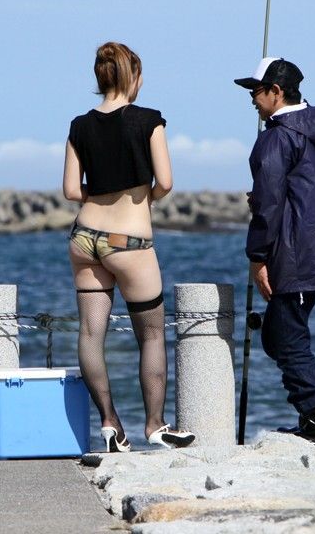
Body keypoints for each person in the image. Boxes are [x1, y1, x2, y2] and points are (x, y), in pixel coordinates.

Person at [63, 41, 194, 452]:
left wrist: (101, 195)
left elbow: (72, 190)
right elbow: (166, 182)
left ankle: (110, 423)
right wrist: (143, 198)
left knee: (91, 333)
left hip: (84, 238)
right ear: (131, 76)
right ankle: (154, 424)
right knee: (152, 335)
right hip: (130, 243)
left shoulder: (79, 125)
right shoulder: (149, 120)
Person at [235, 57, 315, 450]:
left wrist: (257, 258)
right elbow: (303, 189)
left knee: (286, 339)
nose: (252, 99)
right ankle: (312, 420)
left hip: (297, 254)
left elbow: (269, 205)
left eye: (256, 91)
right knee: (277, 335)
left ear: (276, 91)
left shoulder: (276, 137)